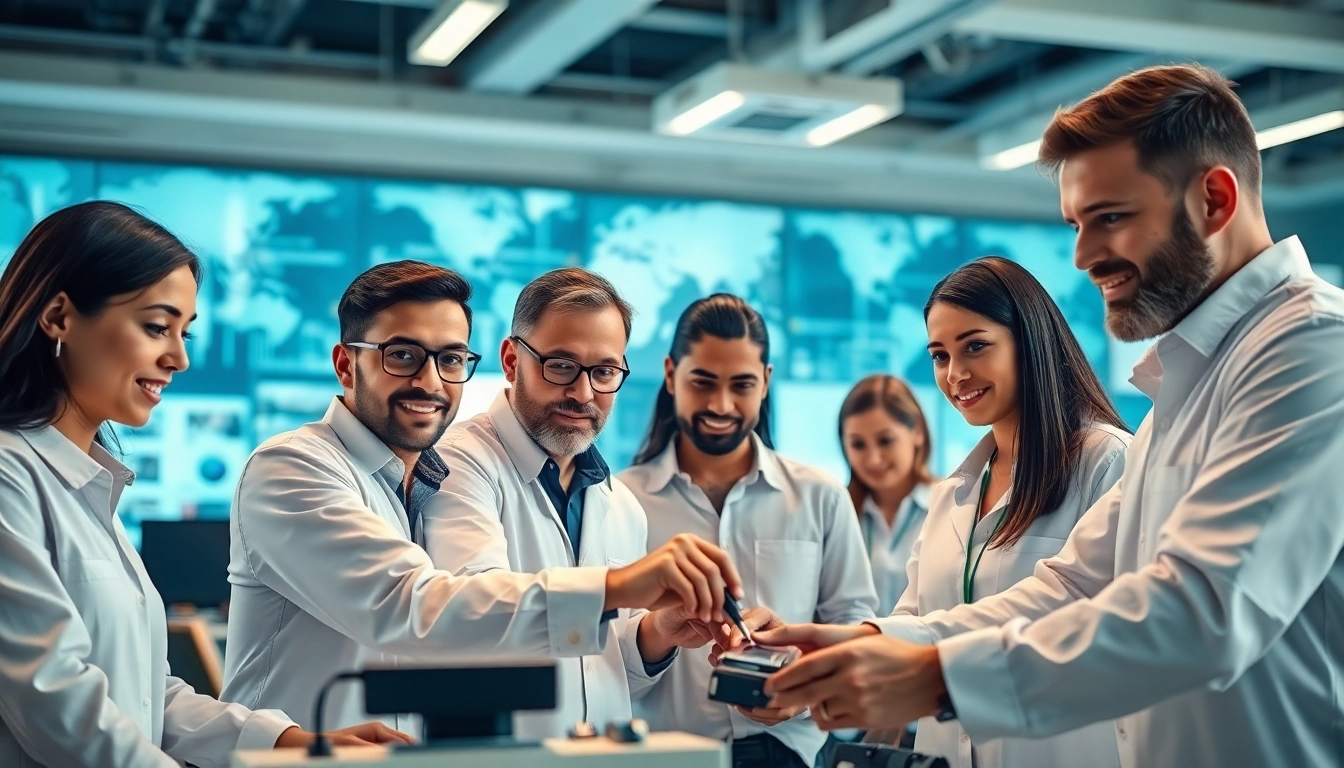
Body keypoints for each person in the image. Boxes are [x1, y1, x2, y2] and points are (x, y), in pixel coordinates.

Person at [757, 64, 1344, 768]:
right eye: (1076, 224)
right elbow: (1071, 585)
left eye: (1111, 218)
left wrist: (938, 679)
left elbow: (1205, 611)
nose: (1084, 256)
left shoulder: (1312, 345)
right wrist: (876, 642)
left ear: (1214, 200)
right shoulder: (1191, 385)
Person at [222, 261, 740, 735]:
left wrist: (658, 631)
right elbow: (418, 610)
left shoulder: (418, 479)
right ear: (345, 364)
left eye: (450, 359)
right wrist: (616, 587)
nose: (430, 381)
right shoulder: (293, 467)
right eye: (402, 356)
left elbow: (600, 665)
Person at [0, 202, 407, 768]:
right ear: (59, 317)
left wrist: (294, 743)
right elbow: (58, 707)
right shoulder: (10, 477)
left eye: (184, 333)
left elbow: (147, 698)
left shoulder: (87, 488)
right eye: (156, 327)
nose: (179, 358)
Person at [428, 268, 743, 739]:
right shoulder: (458, 464)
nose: (583, 393)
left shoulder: (620, 504)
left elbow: (609, 673)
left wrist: (660, 632)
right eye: (560, 366)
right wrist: (617, 586)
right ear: (512, 361)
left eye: (604, 372)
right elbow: (474, 616)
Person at [619, 294, 878, 768]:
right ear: (671, 374)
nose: (721, 404)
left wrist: (806, 688)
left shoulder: (820, 496)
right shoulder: (620, 501)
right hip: (667, 755)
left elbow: (857, 630)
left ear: (766, 382)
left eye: (741, 384)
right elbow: (600, 662)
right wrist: (657, 632)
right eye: (702, 382)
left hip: (791, 754)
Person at [838, 374, 936, 617]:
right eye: (858, 445)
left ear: (917, 431)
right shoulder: (838, 513)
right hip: (856, 642)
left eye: (885, 440)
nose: (873, 459)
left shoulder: (951, 504)